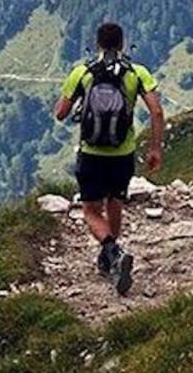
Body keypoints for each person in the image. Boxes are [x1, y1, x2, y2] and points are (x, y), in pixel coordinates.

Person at [54, 22, 163, 296]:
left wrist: (74, 97)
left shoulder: (83, 72)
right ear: (122, 44)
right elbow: (157, 112)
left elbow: (60, 113)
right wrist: (155, 149)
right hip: (122, 154)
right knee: (115, 201)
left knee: (91, 210)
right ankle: (112, 256)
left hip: (91, 154)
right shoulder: (137, 73)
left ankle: (111, 250)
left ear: (98, 43)